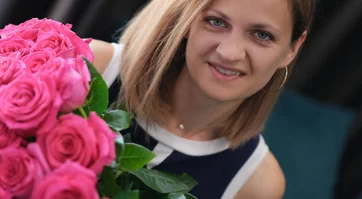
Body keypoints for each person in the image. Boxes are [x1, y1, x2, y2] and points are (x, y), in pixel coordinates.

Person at [89, 0, 315, 198]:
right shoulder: (91, 66)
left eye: (262, 35)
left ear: (292, 49)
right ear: (187, 18)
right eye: (216, 22)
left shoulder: (256, 183)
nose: (229, 53)